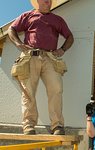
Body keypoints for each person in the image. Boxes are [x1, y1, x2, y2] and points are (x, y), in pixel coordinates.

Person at [8, 0, 74, 135]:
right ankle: (28, 126)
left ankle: (57, 126)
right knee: (28, 92)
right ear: (38, 1)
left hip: (50, 58)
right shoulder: (27, 16)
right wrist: (19, 44)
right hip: (30, 57)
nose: (48, 2)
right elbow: (11, 29)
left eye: (50, 0)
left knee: (56, 89)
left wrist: (62, 49)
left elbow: (70, 37)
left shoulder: (57, 20)